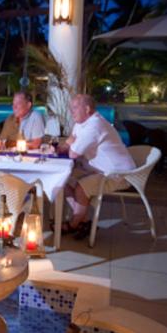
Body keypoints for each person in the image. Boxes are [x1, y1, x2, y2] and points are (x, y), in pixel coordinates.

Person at [60, 94, 136, 239]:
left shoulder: (95, 125)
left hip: (117, 174)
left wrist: (69, 145)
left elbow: (73, 153)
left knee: (81, 188)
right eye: (71, 108)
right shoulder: (81, 123)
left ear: (87, 109)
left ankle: (74, 224)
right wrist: (64, 146)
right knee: (64, 180)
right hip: (99, 170)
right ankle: (84, 221)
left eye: (75, 108)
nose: (71, 111)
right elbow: (69, 144)